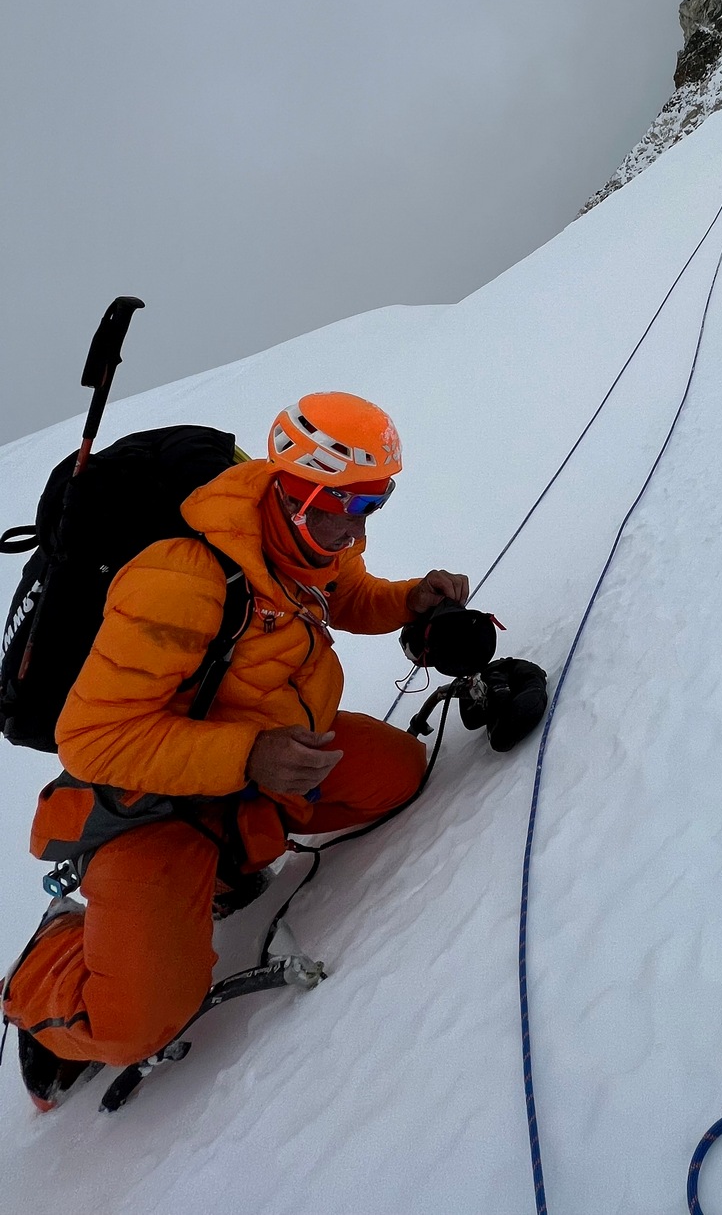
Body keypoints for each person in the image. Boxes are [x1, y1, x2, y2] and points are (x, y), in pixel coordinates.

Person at [3, 391, 468, 1109]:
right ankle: (49, 973)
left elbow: (342, 593)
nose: (353, 530)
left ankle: (228, 863)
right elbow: (91, 737)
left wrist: (410, 600)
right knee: (138, 1021)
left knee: (395, 776)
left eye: (371, 506)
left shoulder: (313, 532)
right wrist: (250, 755)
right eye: (341, 509)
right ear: (293, 490)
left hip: (264, 754)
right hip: (152, 804)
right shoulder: (177, 580)